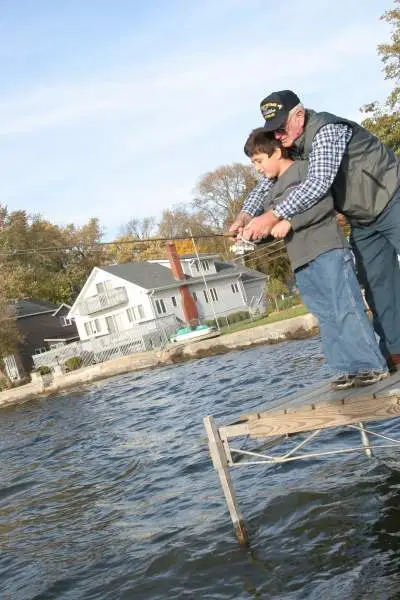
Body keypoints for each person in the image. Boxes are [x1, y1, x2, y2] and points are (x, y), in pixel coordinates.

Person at [230, 90, 400, 371]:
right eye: (272, 131)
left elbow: (319, 183)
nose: (278, 137)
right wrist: (246, 215)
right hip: (362, 218)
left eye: (281, 128)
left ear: (299, 116)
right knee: (376, 285)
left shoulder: (327, 130)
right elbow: (267, 184)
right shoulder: (292, 143)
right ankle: (396, 351)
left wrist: (272, 217)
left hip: (392, 196)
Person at [243, 128, 388, 389]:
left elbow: (323, 205)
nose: (257, 168)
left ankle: (372, 365)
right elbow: (271, 229)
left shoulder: (304, 171)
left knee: (346, 308)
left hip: (328, 251)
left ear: (276, 152)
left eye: (259, 161)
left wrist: (290, 220)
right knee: (326, 315)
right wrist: (252, 234)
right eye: (254, 163)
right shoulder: (270, 191)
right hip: (301, 260)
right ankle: (347, 369)